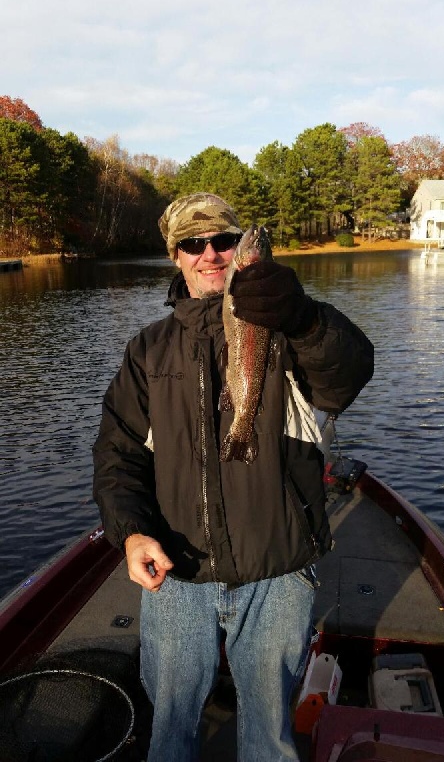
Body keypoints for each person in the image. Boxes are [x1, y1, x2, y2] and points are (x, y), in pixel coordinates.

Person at [93, 192, 374, 762]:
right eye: (194, 244)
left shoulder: (289, 327)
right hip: (178, 573)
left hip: (277, 571)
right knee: (169, 735)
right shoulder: (147, 350)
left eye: (224, 241)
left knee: (269, 737)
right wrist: (132, 533)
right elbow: (117, 456)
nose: (212, 255)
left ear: (244, 251)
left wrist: (304, 318)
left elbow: (347, 374)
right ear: (176, 256)